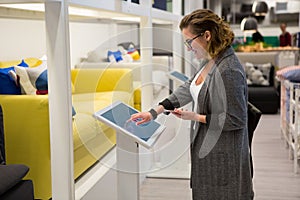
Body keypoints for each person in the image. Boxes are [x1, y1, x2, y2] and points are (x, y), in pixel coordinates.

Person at [130, 9, 254, 199]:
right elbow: (190, 87)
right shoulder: (211, 59)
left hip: (223, 160)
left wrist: (194, 116)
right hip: (209, 156)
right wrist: (154, 112)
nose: (188, 48)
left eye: (189, 42)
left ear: (207, 35)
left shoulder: (229, 70)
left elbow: (235, 119)